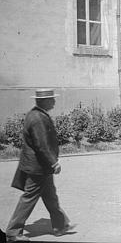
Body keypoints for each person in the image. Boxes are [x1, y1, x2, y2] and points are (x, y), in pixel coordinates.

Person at [6, 89, 74, 243]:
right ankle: (13, 232)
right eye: (52, 99)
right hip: (39, 167)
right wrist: (53, 162)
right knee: (29, 198)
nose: (54, 101)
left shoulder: (35, 114)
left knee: (50, 196)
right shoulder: (37, 118)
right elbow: (41, 145)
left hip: (40, 167)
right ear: (44, 101)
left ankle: (60, 226)